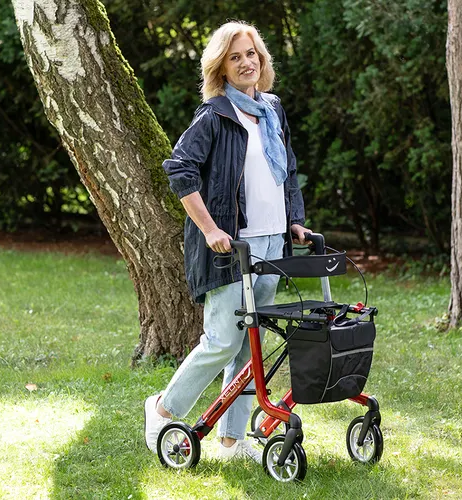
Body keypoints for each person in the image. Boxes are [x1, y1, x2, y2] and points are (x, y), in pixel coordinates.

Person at [144, 21, 309, 462]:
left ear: (262, 59)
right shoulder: (215, 114)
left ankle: (233, 441)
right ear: (221, 67)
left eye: (251, 54)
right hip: (232, 249)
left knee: (250, 343)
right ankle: (163, 409)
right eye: (235, 57)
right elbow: (180, 169)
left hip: (274, 243)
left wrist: (295, 220)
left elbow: (287, 170)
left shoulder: (271, 108)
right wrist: (210, 228)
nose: (246, 63)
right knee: (222, 340)